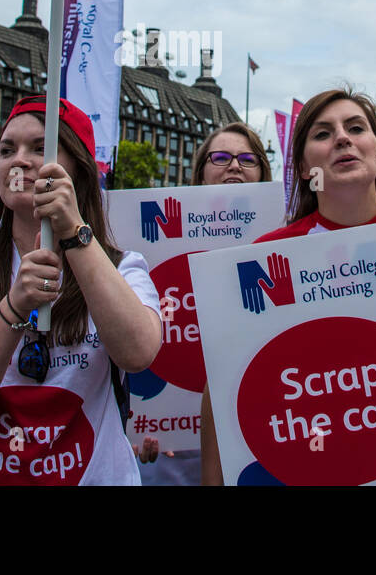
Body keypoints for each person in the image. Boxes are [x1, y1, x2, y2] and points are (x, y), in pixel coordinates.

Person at [200, 88, 376, 485]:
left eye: (356, 127)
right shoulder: (261, 259)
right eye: (322, 133)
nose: (343, 138)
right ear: (302, 167)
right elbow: (224, 384)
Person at [0, 96, 161, 485]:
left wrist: (73, 234)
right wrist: (13, 308)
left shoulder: (121, 266)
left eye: (39, 148)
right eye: (6, 150)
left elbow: (138, 352)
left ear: (77, 172)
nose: (19, 161)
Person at [138, 122, 272, 485]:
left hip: (261, 433)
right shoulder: (150, 243)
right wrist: (136, 426)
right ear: (200, 172)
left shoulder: (284, 245)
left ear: (263, 171)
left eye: (247, 158)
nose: (235, 166)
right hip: (176, 448)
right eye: (221, 157)